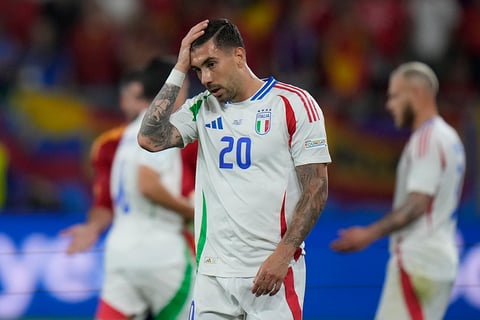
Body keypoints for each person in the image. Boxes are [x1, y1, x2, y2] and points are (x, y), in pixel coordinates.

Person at [137, 18, 331, 319]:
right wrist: (178, 68)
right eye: (198, 69)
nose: (205, 77)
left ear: (239, 56)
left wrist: (283, 256)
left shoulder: (293, 104)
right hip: (212, 275)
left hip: (271, 272)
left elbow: (316, 187)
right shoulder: (201, 108)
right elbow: (149, 138)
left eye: (212, 63)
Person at [62, 58, 196, 320]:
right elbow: (146, 183)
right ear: (173, 90)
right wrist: (192, 212)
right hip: (161, 253)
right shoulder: (158, 130)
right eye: (185, 89)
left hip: (120, 252)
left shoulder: (122, 136)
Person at [330, 61, 466, 320]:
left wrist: (369, 233)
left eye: (394, 96)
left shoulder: (427, 139)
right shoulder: (449, 137)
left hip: (418, 261)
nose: (389, 105)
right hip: (436, 260)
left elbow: (418, 202)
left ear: (416, 94)